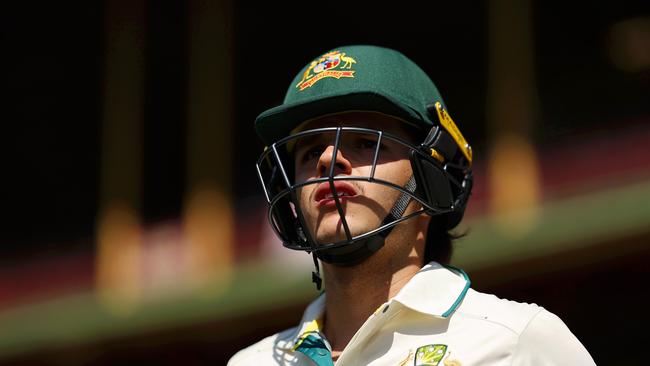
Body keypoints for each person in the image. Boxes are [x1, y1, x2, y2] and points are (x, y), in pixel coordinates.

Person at [229, 45, 595, 365]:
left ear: (432, 174)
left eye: (364, 143)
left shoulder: (517, 342)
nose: (327, 160)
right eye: (310, 151)